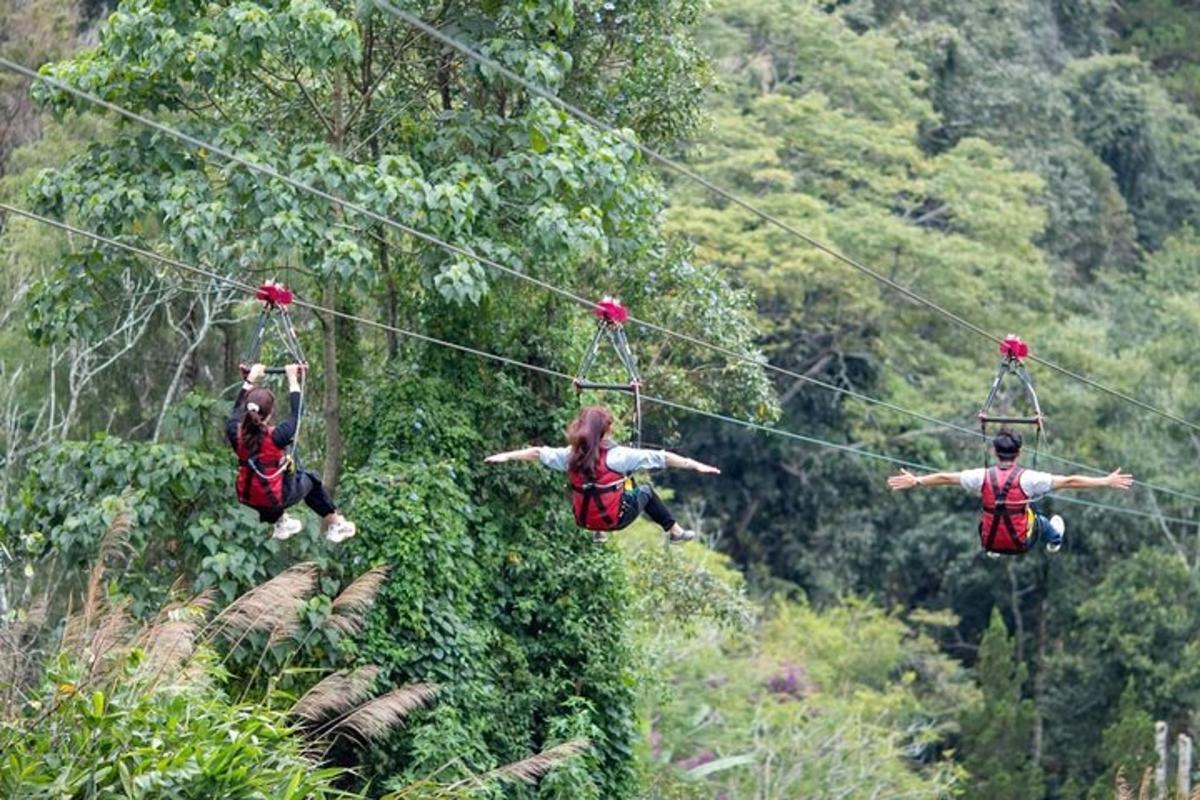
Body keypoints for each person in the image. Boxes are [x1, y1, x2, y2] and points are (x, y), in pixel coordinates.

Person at [485, 405, 720, 543]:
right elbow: (662, 457)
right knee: (644, 490)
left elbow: (537, 453)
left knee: (604, 482)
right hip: (615, 520)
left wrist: (506, 456)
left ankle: (598, 533)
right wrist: (695, 465)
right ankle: (675, 532)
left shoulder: (570, 455)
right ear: (606, 431)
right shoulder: (619, 457)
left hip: (583, 519)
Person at [886, 428, 1133, 555]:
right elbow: (1070, 481)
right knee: (1045, 523)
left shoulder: (980, 477)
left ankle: (994, 549)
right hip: (1020, 542)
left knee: (987, 516)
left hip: (989, 540)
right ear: (1019, 453)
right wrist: (1104, 481)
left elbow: (945, 477)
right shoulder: (1029, 479)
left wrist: (917, 480)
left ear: (995, 453)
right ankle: (1055, 541)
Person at [227, 363, 356, 543]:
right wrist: (292, 378)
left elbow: (235, 410)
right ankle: (335, 524)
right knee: (310, 478)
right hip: (275, 498)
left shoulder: (234, 432)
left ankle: (280, 522)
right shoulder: (277, 437)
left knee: (275, 483)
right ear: (269, 414)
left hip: (248, 497)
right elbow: (297, 413)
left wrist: (250, 380)